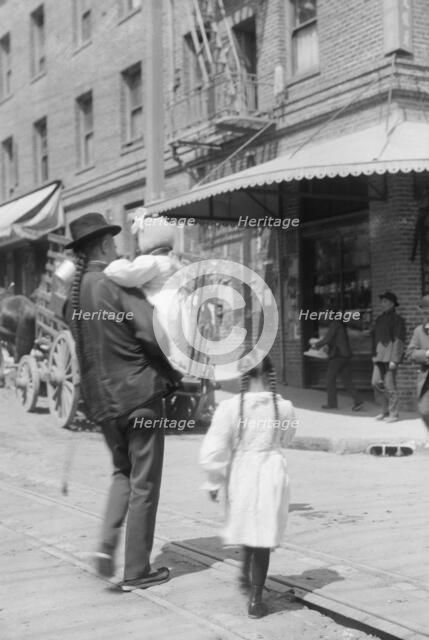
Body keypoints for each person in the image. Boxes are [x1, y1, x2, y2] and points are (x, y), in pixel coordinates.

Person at [65, 212, 182, 591]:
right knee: (145, 483)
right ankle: (137, 570)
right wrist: (172, 375)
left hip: (102, 406)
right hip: (139, 397)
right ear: (101, 245)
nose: (118, 249)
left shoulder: (76, 294)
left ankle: (105, 545)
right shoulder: (114, 283)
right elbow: (152, 333)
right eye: (113, 243)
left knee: (122, 473)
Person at [199, 355, 297, 618]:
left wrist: (212, 480)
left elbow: (215, 447)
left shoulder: (231, 408)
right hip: (271, 471)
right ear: (270, 376)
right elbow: (287, 438)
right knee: (263, 535)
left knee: (248, 525)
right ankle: (256, 598)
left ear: (244, 377)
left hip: (242, 471)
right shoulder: (283, 407)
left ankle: (246, 572)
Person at [311, 318, 363, 411]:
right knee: (346, 380)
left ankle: (332, 404)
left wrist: (316, 345)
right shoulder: (341, 324)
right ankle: (358, 400)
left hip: (338, 355)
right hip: (345, 355)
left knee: (330, 378)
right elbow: (334, 339)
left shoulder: (334, 324)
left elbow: (328, 338)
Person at [371, 291, 406, 423]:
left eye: (385, 302)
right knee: (375, 383)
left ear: (392, 304)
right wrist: (373, 355)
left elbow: (399, 341)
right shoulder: (379, 319)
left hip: (390, 357)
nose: (382, 304)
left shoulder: (398, 320)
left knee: (390, 386)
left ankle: (394, 414)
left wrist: (395, 360)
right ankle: (384, 410)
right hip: (379, 356)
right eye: (382, 302)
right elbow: (375, 339)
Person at [406, 295, 429, 433]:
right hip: (426, 378)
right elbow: (410, 353)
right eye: (425, 312)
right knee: (424, 410)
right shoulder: (419, 331)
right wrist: (426, 354)